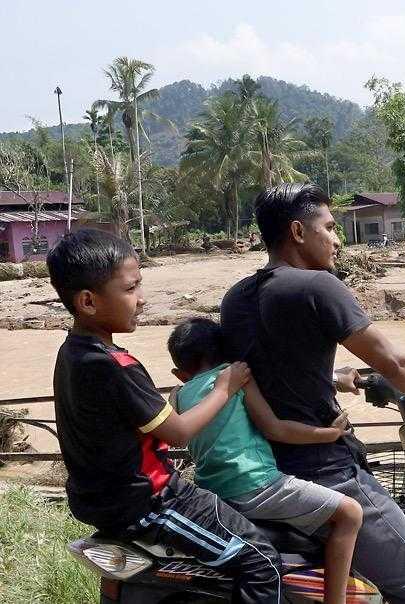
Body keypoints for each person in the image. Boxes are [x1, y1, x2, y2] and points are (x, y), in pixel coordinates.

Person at [221, 183, 405, 604]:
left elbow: (263, 370)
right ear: (298, 232)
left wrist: (332, 377)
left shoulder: (235, 299)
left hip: (260, 471)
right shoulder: (318, 286)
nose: (337, 240)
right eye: (330, 228)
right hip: (324, 472)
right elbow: (397, 366)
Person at [46, 229, 281, 604]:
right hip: (153, 502)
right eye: (130, 289)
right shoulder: (116, 365)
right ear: (88, 301)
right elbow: (179, 432)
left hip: (103, 502)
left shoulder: (71, 352)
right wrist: (225, 387)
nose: (141, 299)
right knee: (261, 562)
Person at [167, 317, 363, 604]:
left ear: (178, 373)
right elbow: (275, 429)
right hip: (256, 484)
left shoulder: (178, 395)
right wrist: (330, 434)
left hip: (213, 492)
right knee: (350, 513)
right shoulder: (237, 378)